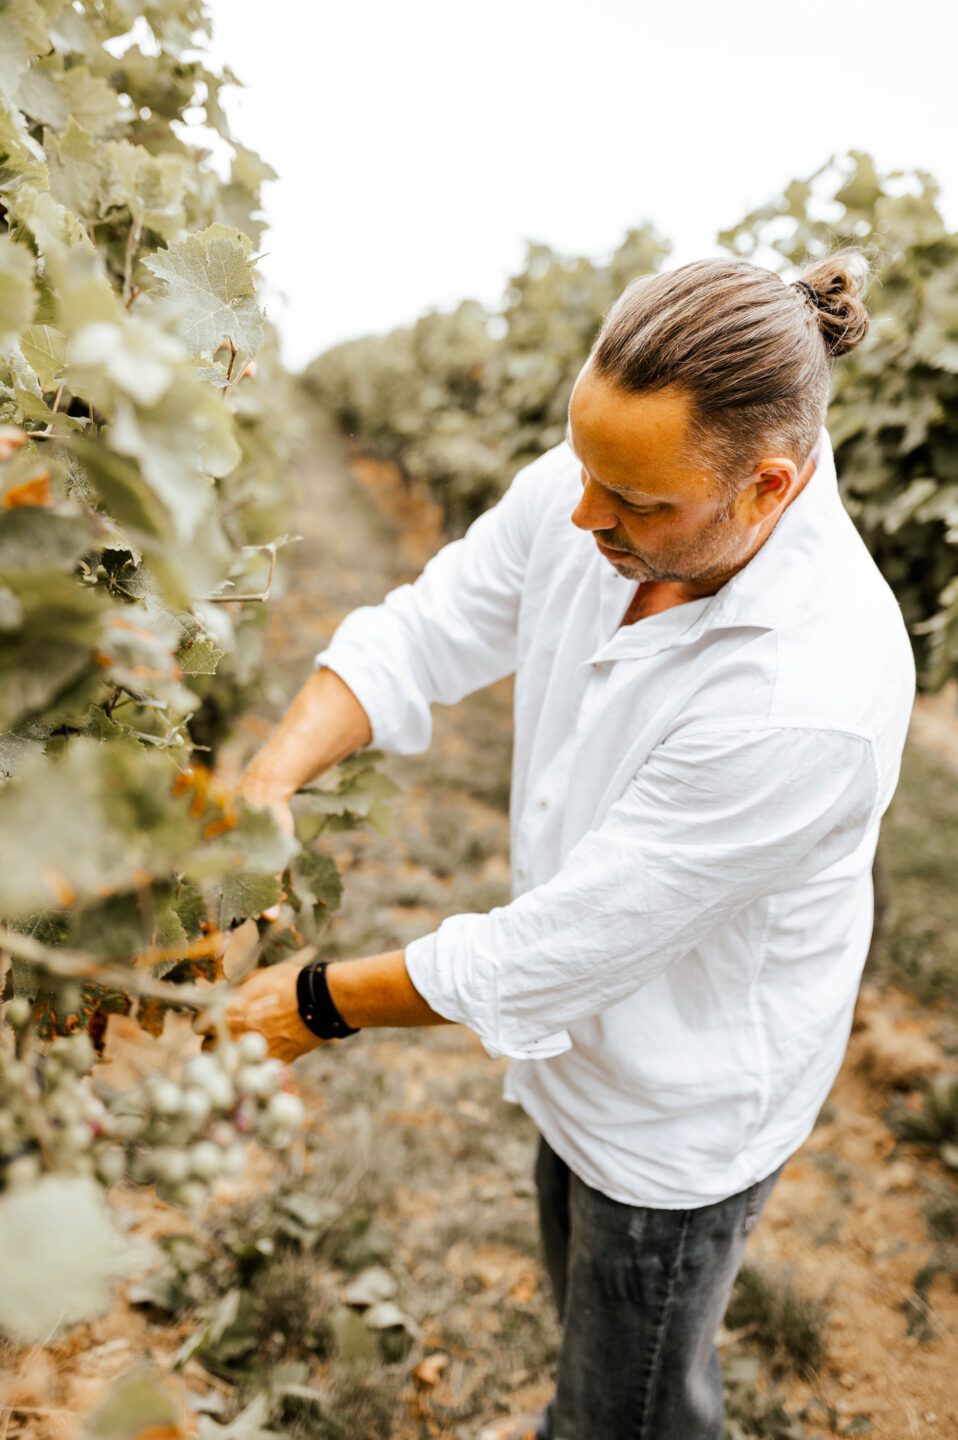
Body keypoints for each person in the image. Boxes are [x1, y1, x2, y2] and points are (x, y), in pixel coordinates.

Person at [212, 253, 917, 1440]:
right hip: (583, 1060)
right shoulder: (605, 487)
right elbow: (427, 629)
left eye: (636, 504)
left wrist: (310, 1006)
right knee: (587, 1315)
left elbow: (550, 955)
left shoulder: (810, 689)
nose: (585, 513)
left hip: (677, 1108)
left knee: (632, 1405)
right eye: (585, 470)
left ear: (766, 488)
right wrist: (271, 777)